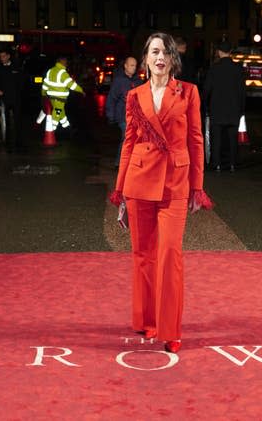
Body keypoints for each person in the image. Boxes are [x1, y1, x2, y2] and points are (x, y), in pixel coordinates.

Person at [109, 32, 212, 354]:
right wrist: (120, 189)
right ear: (146, 58)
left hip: (174, 183)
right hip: (139, 182)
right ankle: (145, 317)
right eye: (154, 51)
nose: (160, 57)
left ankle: (170, 329)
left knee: (169, 255)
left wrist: (197, 186)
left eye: (165, 52)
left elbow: (196, 140)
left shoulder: (188, 93)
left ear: (172, 59)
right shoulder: (134, 95)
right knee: (142, 255)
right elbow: (128, 142)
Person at [203, 39, 245, 173]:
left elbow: (207, 89)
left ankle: (217, 164)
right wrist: (242, 109)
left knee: (217, 138)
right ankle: (232, 163)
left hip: (217, 108)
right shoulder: (238, 69)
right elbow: (242, 91)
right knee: (233, 138)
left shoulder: (214, 68)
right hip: (234, 109)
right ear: (231, 52)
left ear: (219, 52)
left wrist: (205, 105)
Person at [106, 56, 143, 167]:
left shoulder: (139, 81)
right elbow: (112, 98)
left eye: (135, 66)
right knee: (127, 137)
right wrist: (110, 115)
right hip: (123, 116)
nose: (133, 68)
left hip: (136, 116)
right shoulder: (119, 81)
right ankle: (120, 163)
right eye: (131, 65)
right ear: (125, 66)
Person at [0, 48, 24, 152]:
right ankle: (7, 141)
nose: (1, 58)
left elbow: (21, 81)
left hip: (16, 98)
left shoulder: (16, 67)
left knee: (18, 120)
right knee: (6, 121)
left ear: (8, 56)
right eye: (0, 56)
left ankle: (19, 141)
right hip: (5, 99)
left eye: (3, 56)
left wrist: (19, 93)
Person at [41, 56, 84, 130]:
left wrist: (43, 93)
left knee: (61, 111)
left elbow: (45, 84)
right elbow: (71, 85)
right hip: (60, 97)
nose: (66, 64)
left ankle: (66, 126)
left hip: (51, 96)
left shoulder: (50, 71)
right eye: (66, 62)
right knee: (57, 113)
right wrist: (81, 90)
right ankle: (51, 130)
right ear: (62, 62)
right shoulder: (63, 73)